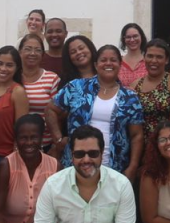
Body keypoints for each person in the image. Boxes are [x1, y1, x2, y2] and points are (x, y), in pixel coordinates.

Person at [49, 46, 144, 177]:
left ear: (120, 64)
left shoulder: (129, 97)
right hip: (76, 164)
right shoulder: (76, 87)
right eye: (103, 60)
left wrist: (133, 167)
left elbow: (136, 135)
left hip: (114, 168)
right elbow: (50, 109)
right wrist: (58, 139)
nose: (108, 63)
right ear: (96, 64)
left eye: (113, 60)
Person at [133, 39, 170, 139]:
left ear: (167, 60)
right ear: (144, 57)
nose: (154, 61)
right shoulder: (134, 85)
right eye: (150, 56)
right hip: (143, 147)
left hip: (169, 145)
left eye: (159, 57)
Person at [0, 48, 30, 161]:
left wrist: (15, 159)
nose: (3, 69)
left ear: (16, 68)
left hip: (4, 157)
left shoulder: (17, 92)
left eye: (9, 65)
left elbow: (22, 130)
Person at [19, 33, 62, 148]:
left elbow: (58, 115)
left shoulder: (52, 79)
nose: (32, 53)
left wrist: (55, 145)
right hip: (16, 143)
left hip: (45, 144)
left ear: (42, 54)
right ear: (20, 52)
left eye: (37, 50)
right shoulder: (12, 77)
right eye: (28, 49)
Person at [119, 23, 149, 88]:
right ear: (123, 39)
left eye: (135, 36)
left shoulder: (148, 61)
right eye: (128, 37)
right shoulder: (118, 63)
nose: (132, 40)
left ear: (141, 37)